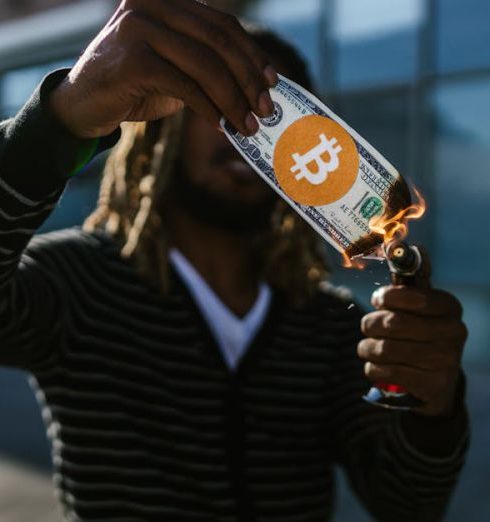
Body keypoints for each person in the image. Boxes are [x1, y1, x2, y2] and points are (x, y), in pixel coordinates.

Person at [0, 1, 469, 521]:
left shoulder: (328, 325)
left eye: (285, 114)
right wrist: (60, 118)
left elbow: (407, 503)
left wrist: (435, 406)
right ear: (162, 129)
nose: (261, 131)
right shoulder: (76, 282)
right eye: (231, 101)